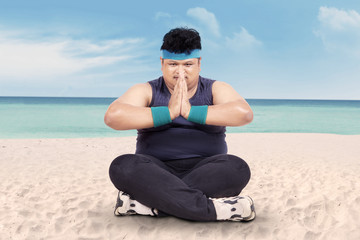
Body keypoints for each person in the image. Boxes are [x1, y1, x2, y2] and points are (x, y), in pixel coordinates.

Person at [105, 27, 255, 222]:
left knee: (237, 168)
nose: (180, 72)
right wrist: (168, 113)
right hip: (154, 170)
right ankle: (215, 210)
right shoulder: (147, 90)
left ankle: (152, 204)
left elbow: (244, 114)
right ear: (162, 63)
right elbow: (113, 116)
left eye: (188, 64)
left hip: (206, 169)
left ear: (199, 63)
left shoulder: (215, 88)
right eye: (173, 64)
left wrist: (190, 111)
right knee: (122, 166)